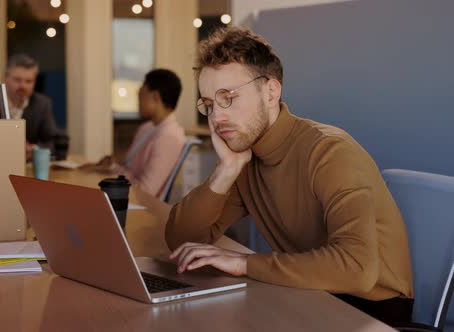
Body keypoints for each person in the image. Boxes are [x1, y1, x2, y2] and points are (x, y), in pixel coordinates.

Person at [165, 27, 414, 326]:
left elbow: (357, 269)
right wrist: (226, 170)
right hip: (312, 293)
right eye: (209, 104)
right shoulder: (246, 155)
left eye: (228, 97)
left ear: (271, 92)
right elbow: (181, 240)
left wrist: (244, 262)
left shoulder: (330, 152)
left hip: (372, 311)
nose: (217, 117)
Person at [83, 69, 186, 197]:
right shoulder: (147, 127)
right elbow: (130, 168)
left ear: (156, 97)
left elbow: (146, 191)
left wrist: (115, 167)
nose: (138, 101)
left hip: (141, 206)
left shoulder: (170, 137)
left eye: (141, 95)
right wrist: (113, 164)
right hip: (126, 194)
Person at [4, 54, 61, 160]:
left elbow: (53, 143)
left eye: (28, 81)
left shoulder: (42, 104)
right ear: (5, 78)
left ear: (34, 82)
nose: (23, 86)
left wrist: (33, 149)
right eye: (17, 80)